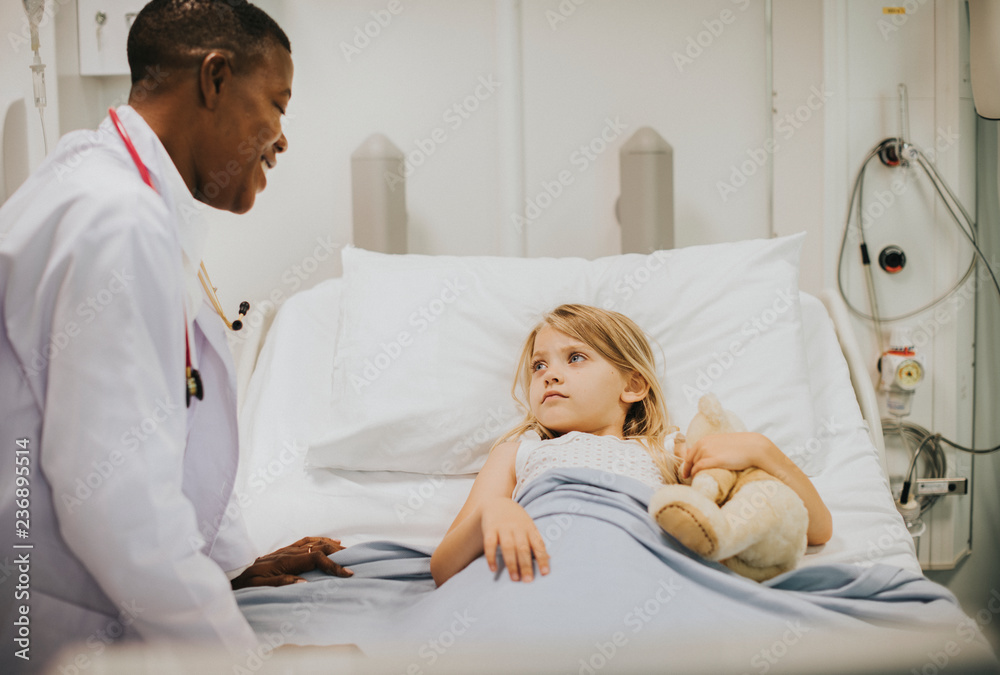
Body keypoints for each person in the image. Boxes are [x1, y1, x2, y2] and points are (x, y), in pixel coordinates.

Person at [0, 1, 348, 671]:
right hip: (46, 631)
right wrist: (241, 660)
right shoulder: (118, 218)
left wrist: (230, 567)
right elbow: (117, 504)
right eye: (277, 103)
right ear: (215, 78)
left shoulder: (105, 183)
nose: (281, 136)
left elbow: (158, 441)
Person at [429, 303, 832, 586]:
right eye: (539, 365)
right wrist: (493, 514)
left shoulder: (669, 451)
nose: (550, 375)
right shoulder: (521, 451)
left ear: (633, 385)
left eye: (575, 358)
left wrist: (762, 450)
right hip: (537, 578)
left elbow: (816, 530)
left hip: (641, 577)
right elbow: (443, 568)